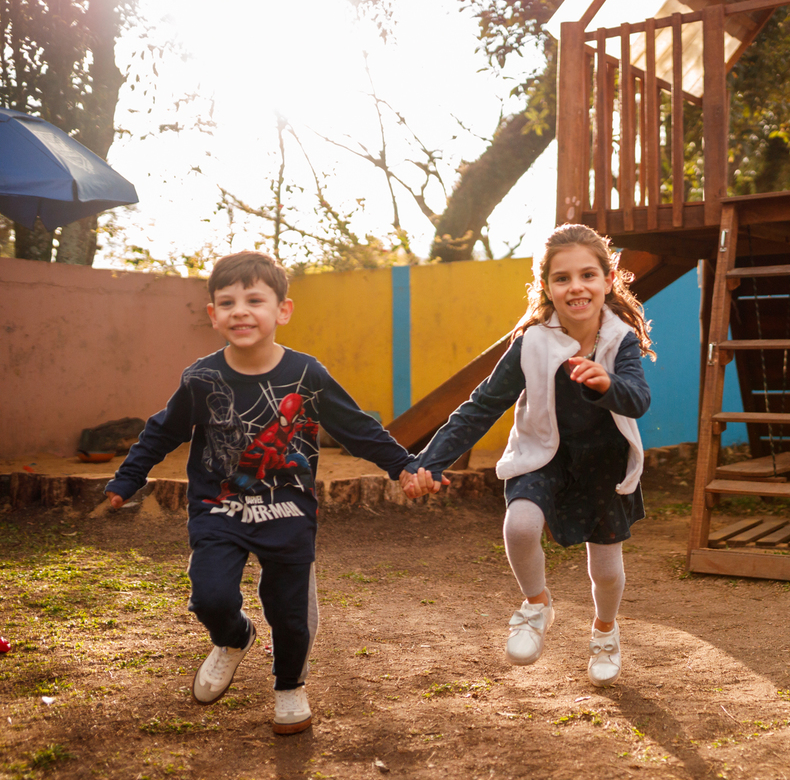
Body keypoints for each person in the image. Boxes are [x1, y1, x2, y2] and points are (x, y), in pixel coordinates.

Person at [105, 251, 419, 735]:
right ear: (213, 315)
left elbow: (355, 427)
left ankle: (290, 685)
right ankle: (234, 638)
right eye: (227, 302)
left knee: (290, 615)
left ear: (282, 310)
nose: (241, 311)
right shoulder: (201, 377)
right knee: (209, 596)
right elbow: (161, 432)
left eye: (255, 299)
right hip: (219, 507)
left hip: (288, 511)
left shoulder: (307, 375)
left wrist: (403, 465)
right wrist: (128, 479)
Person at [404, 223, 653, 687]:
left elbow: (638, 400)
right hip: (543, 456)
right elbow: (481, 406)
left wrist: (607, 384)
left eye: (587, 275)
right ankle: (536, 606)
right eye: (562, 278)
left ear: (608, 278)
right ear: (547, 287)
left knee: (607, 570)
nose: (576, 287)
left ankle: (604, 632)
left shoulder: (621, 340)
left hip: (604, 462)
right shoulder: (532, 342)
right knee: (519, 525)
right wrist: (429, 461)